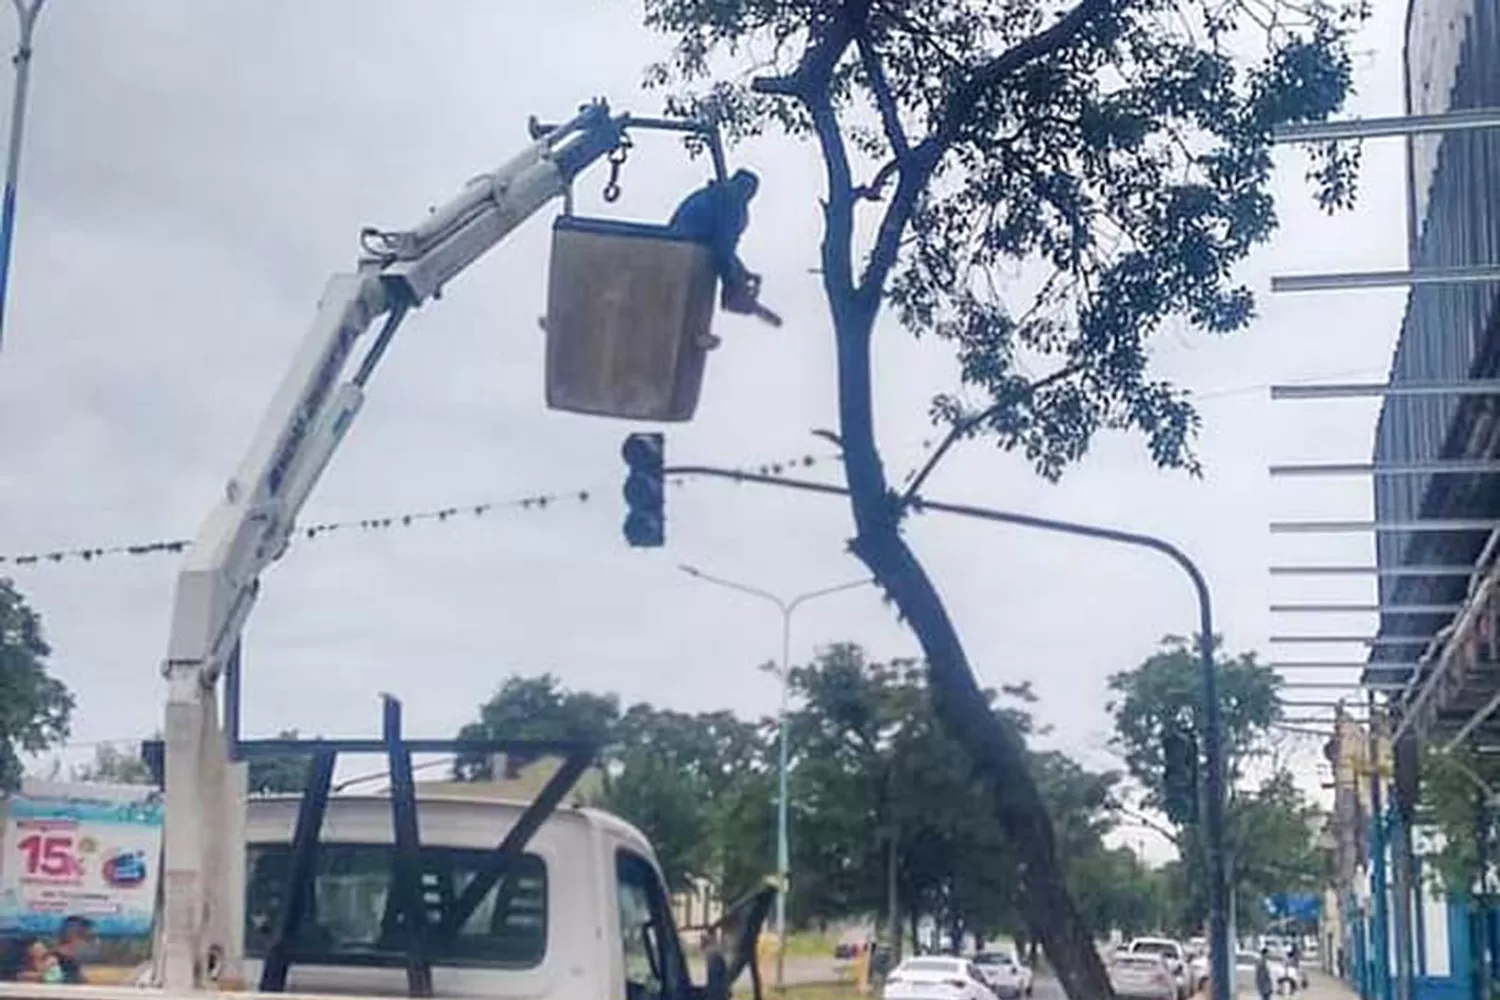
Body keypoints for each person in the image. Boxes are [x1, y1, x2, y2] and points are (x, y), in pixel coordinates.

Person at [668, 169, 780, 325]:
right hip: (690, 251)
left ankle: (733, 299)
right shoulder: (730, 203)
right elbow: (723, 249)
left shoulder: (713, 195)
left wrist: (743, 272)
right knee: (692, 303)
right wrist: (734, 283)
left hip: (684, 246)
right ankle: (704, 320)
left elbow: (722, 244)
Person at [51, 915, 94, 984]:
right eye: (87, 938)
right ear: (73, 936)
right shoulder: (52, 960)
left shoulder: (73, 961)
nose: (88, 945)